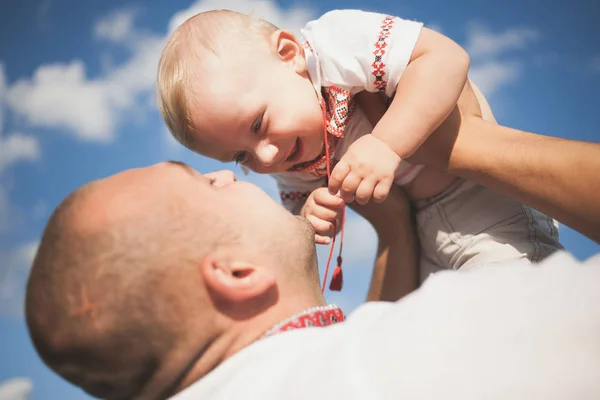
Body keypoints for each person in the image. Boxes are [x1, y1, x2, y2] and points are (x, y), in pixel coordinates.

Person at [25, 161, 600, 400]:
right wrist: (454, 142)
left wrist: (396, 230)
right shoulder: (443, 348)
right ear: (235, 272)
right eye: (202, 183)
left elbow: (365, 328)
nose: (228, 173)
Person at [155, 9, 563, 292]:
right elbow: (299, 219)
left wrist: (386, 144)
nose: (264, 157)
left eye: (258, 125)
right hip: (424, 236)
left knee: (512, 301)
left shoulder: (335, 45)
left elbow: (444, 59)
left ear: (289, 55)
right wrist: (311, 214)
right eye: (240, 157)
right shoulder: (283, 157)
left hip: (479, 202)